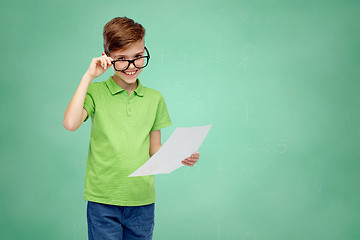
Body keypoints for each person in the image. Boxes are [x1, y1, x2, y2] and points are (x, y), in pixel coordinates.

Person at [63, 16, 200, 240]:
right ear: (106, 57)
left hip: (142, 201)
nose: (131, 66)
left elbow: (155, 149)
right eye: (121, 59)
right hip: (103, 200)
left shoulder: (154, 99)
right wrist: (88, 76)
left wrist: (180, 156)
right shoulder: (96, 93)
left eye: (137, 57)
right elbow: (70, 123)